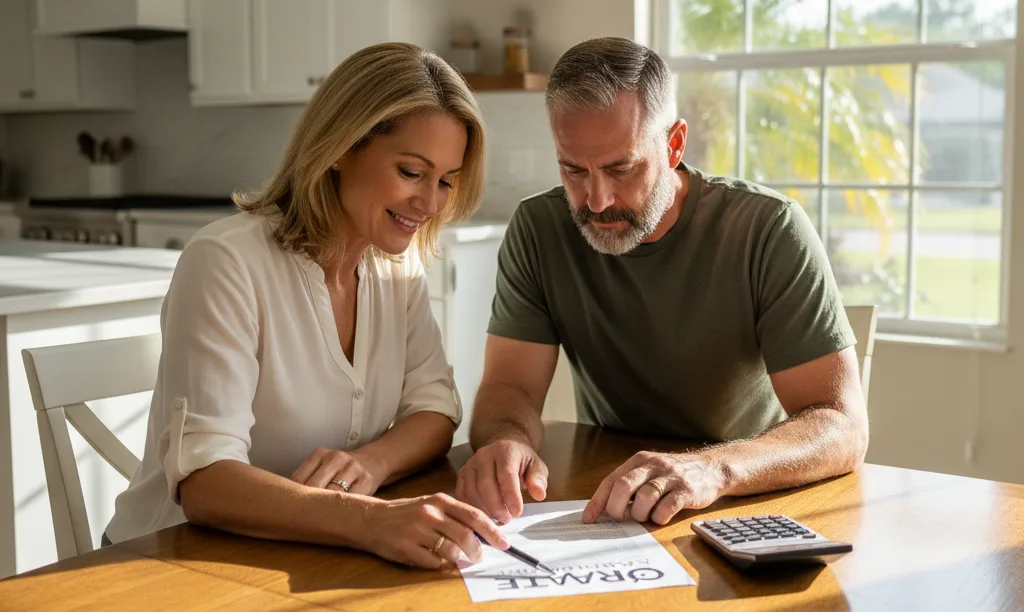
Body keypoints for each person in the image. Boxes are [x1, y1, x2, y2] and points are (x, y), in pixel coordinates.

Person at [104, 42, 510, 569]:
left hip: (304, 552)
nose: (430, 203)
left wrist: (369, 464)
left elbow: (434, 409)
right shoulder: (225, 261)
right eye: (412, 172)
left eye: (445, 181)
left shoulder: (396, 266)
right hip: (170, 562)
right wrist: (369, 519)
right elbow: (204, 483)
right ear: (341, 146)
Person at [456, 37, 869, 527]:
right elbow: (510, 387)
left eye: (621, 168)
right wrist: (508, 442)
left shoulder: (769, 229)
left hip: (745, 496)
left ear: (673, 145)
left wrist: (712, 468)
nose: (597, 200)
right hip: (612, 498)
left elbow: (841, 425)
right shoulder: (538, 229)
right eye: (573, 170)